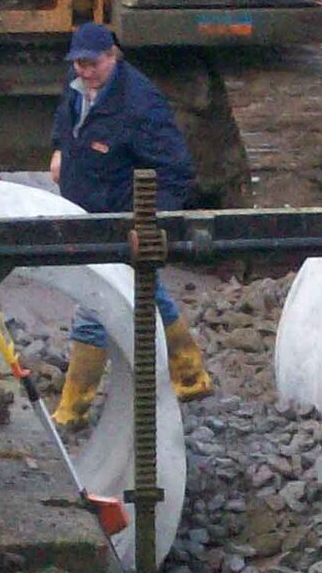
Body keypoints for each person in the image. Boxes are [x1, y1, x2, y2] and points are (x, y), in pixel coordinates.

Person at [47, 22, 215, 427]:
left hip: (122, 221)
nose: (83, 72)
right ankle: (191, 375)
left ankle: (73, 408)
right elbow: (66, 127)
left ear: (112, 56)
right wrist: (58, 150)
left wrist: (151, 222)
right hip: (87, 212)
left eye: (91, 64)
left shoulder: (140, 105)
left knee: (93, 302)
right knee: (149, 290)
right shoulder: (78, 90)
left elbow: (176, 170)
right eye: (78, 64)